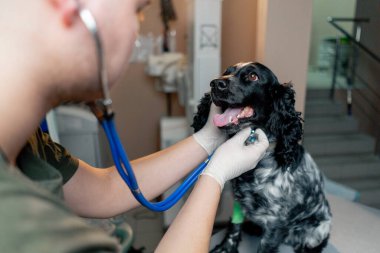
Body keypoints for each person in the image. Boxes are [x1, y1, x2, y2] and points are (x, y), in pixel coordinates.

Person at [0, 0, 269, 252]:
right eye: (137, 11)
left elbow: (102, 191)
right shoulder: (18, 227)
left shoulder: (27, 145)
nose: (135, 36)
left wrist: (207, 140)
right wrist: (215, 175)